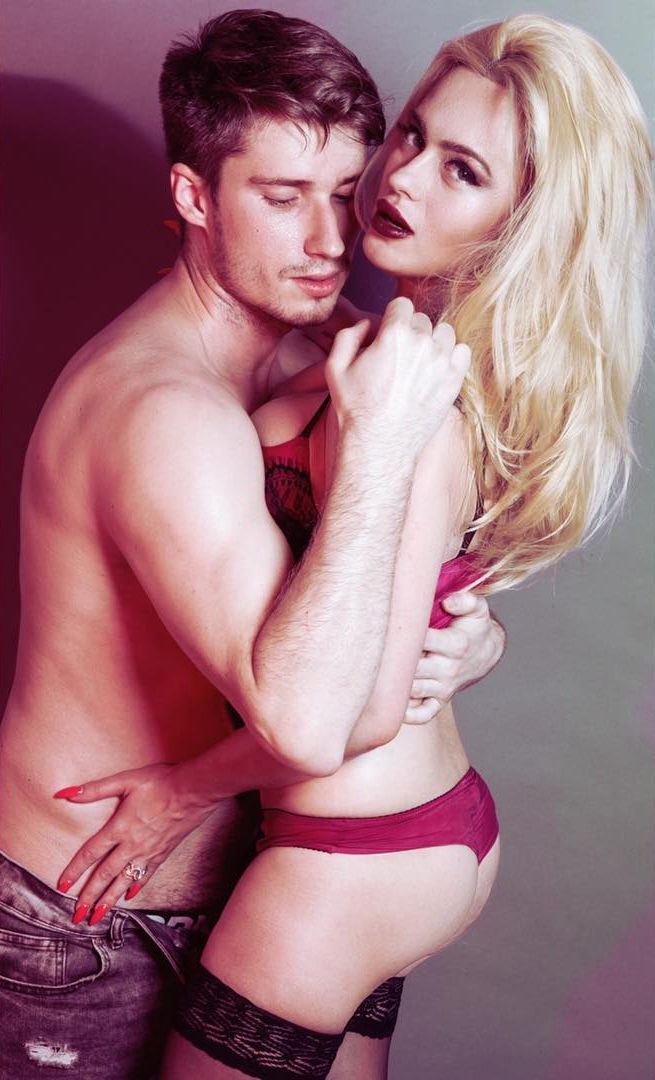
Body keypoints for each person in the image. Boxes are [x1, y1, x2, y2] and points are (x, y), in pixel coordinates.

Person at [53, 12, 652, 1080]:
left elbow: (361, 711)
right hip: (388, 836)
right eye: (414, 135)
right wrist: (474, 634)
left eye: (462, 171)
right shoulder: (382, 356)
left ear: (520, 223)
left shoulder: (410, 411)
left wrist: (184, 789)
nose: (401, 180)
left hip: (352, 854)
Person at [0, 11, 505, 1080]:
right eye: (282, 198)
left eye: (344, 192)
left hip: (270, 888)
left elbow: (366, 595)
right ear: (194, 197)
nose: (327, 239)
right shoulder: (163, 415)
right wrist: (375, 457)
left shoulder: (315, 366)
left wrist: (469, 634)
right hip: (85, 921)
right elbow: (307, 719)